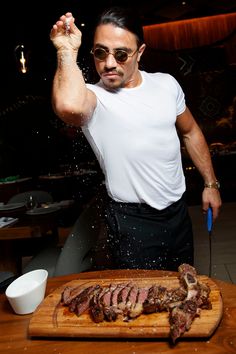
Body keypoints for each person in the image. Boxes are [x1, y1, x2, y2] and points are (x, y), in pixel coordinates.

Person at [50, 6, 222, 271]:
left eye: (120, 54)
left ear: (139, 53)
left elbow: (190, 131)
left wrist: (211, 183)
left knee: (185, 293)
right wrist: (66, 50)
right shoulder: (94, 96)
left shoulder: (166, 84)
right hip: (131, 222)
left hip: (178, 214)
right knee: (141, 306)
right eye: (100, 52)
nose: (109, 64)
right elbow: (68, 106)